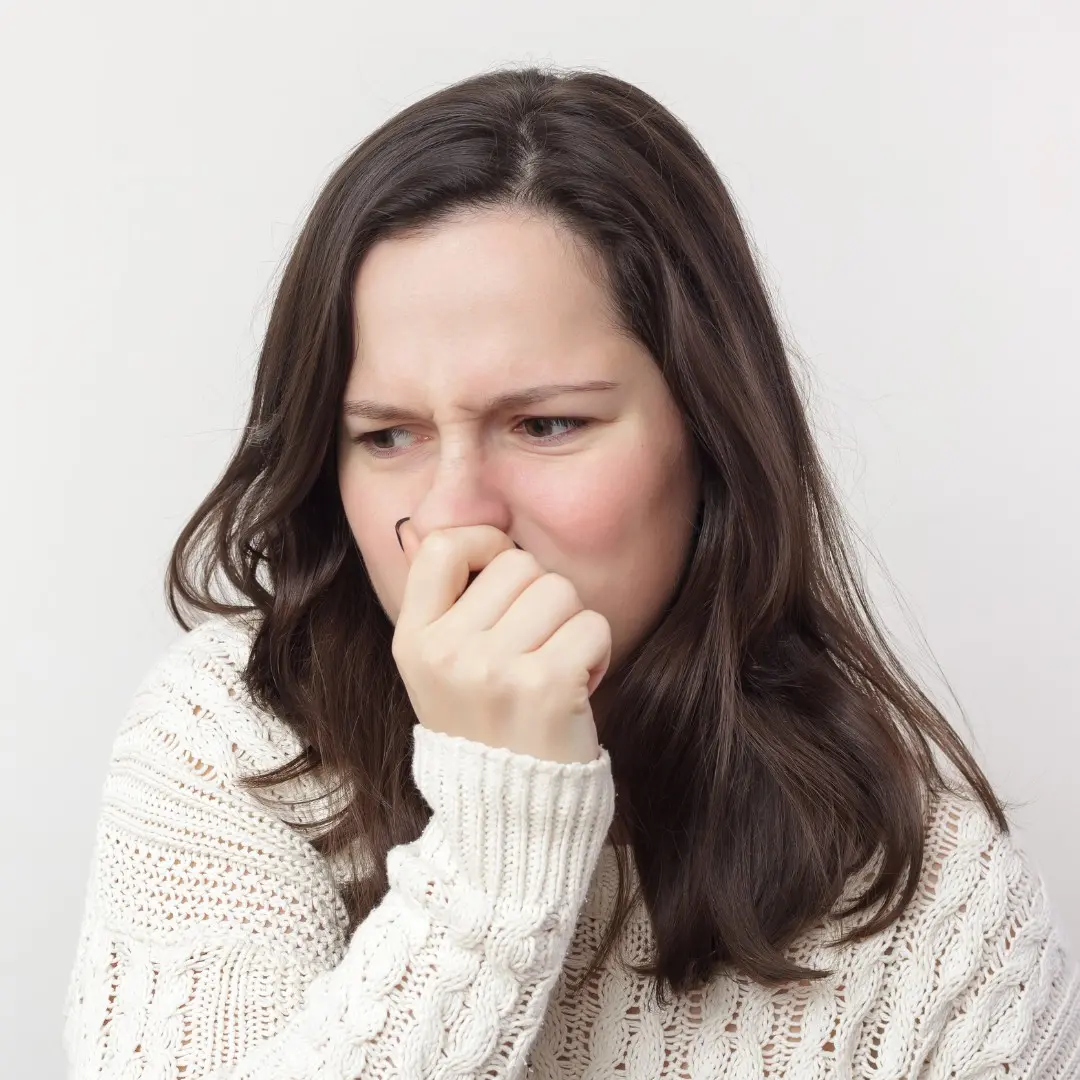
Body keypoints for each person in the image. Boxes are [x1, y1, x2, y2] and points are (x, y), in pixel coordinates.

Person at [64, 65, 1079, 1079]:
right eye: (386, 437)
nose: (458, 515)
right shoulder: (228, 745)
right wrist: (502, 838)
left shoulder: (937, 909)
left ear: (712, 436)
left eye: (547, 424)